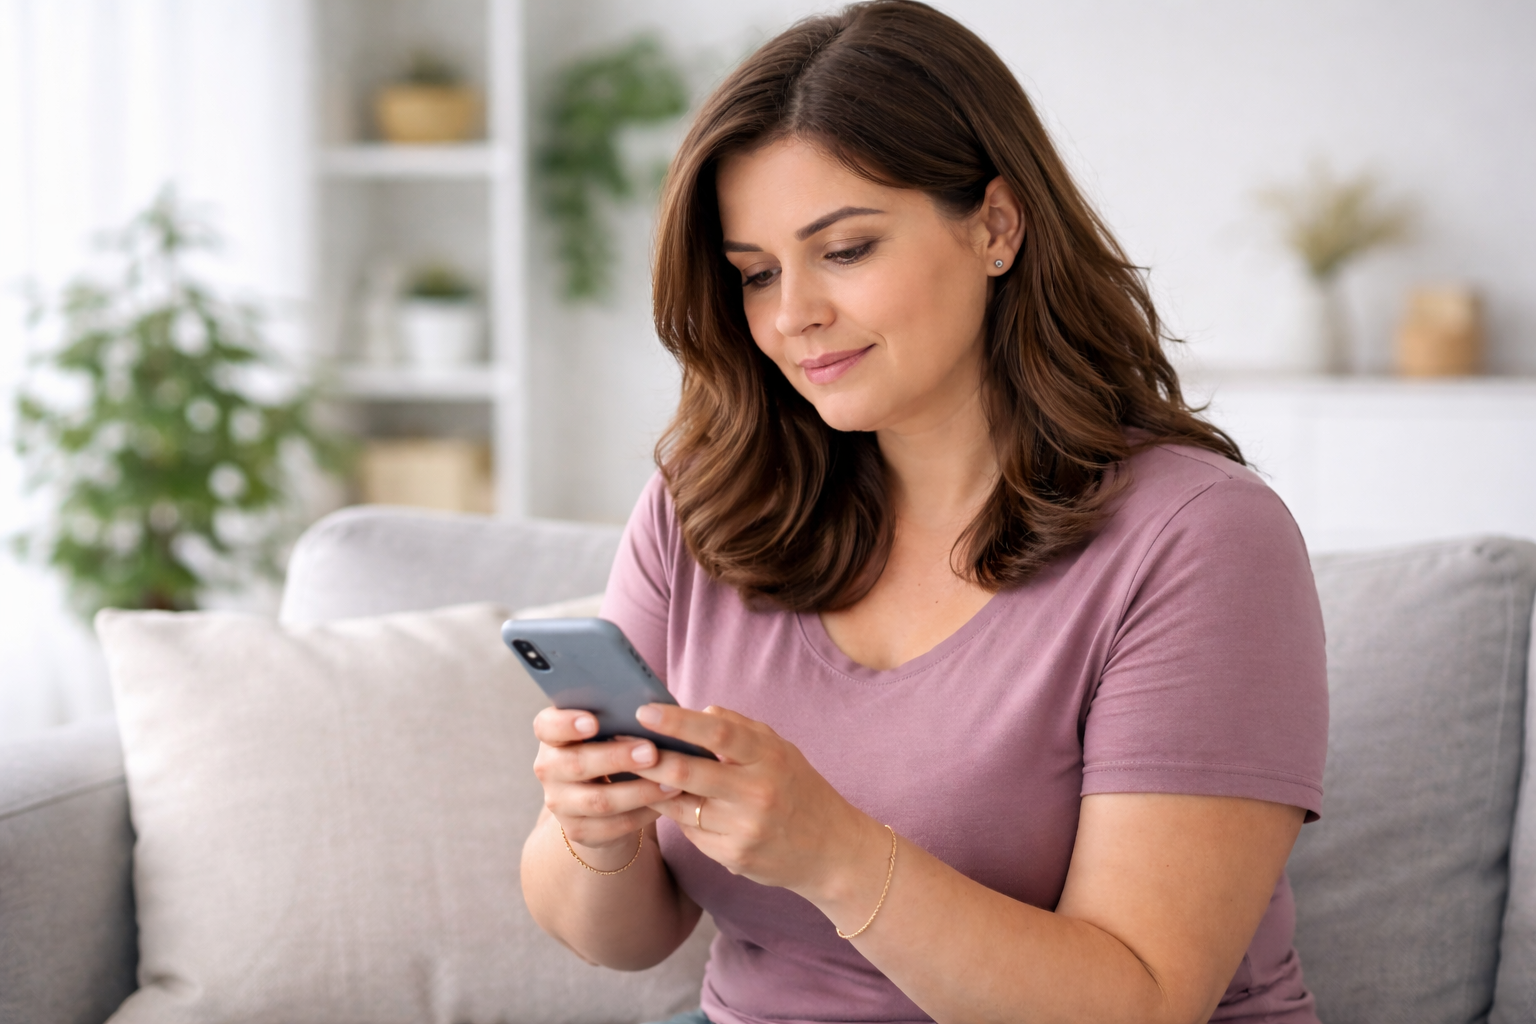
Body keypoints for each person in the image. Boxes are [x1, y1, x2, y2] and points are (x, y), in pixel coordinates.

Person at [520, 3, 1328, 1022]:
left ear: (996, 225)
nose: (791, 314)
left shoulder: (1200, 538)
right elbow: (620, 939)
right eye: (756, 274)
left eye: (846, 249)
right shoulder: (708, 502)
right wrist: (597, 834)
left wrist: (836, 854)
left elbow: (1143, 1000)